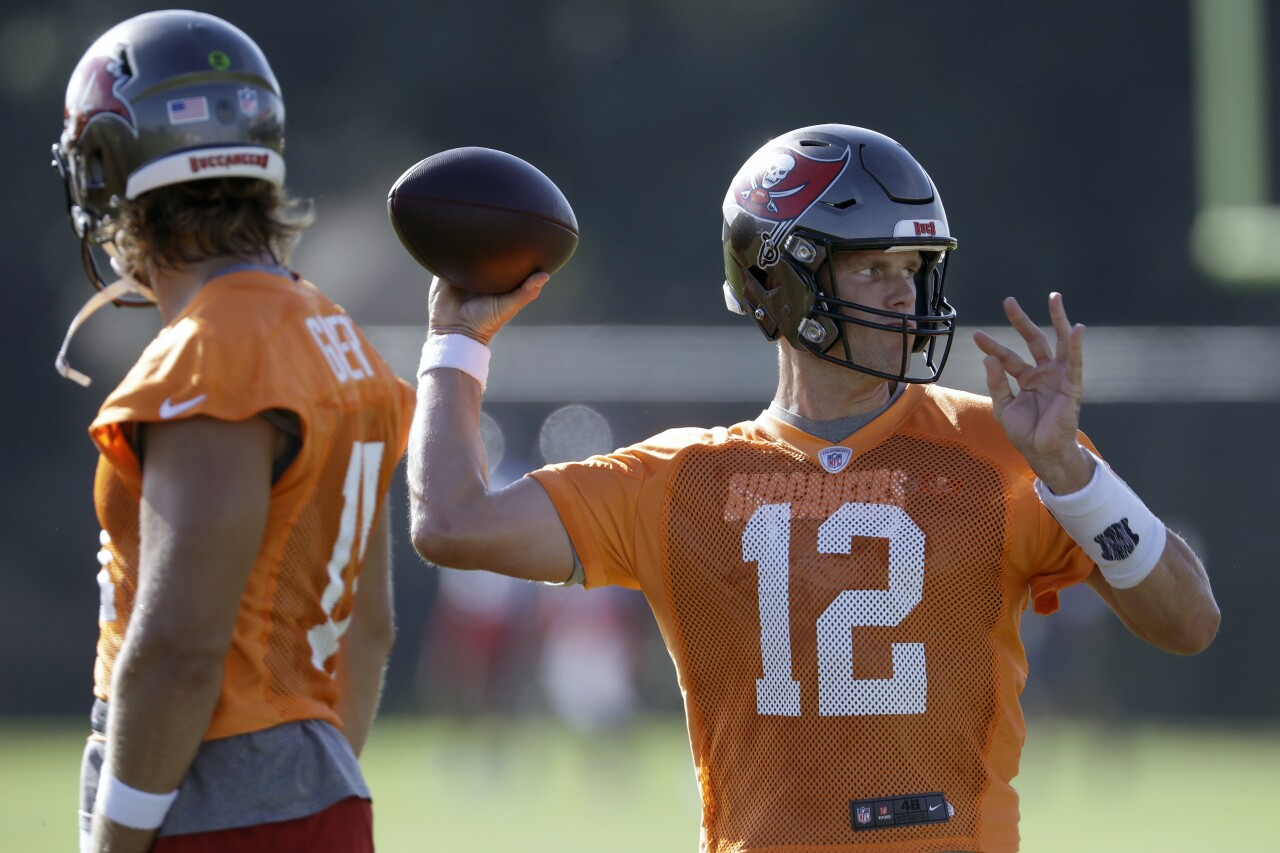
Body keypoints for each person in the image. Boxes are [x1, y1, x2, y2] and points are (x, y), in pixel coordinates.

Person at [407, 124, 1219, 852]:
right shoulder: (681, 480)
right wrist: (455, 340)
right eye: (872, 267)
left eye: (912, 267)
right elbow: (452, 521)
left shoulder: (1005, 451)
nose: (906, 292)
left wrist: (1076, 475)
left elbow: (1189, 621)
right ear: (779, 281)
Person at [52, 11, 415, 852]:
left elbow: (179, 646)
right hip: (321, 788)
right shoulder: (338, 338)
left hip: (206, 800)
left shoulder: (210, 360)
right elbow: (370, 627)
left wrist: (117, 837)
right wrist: (306, 782)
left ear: (107, 166)